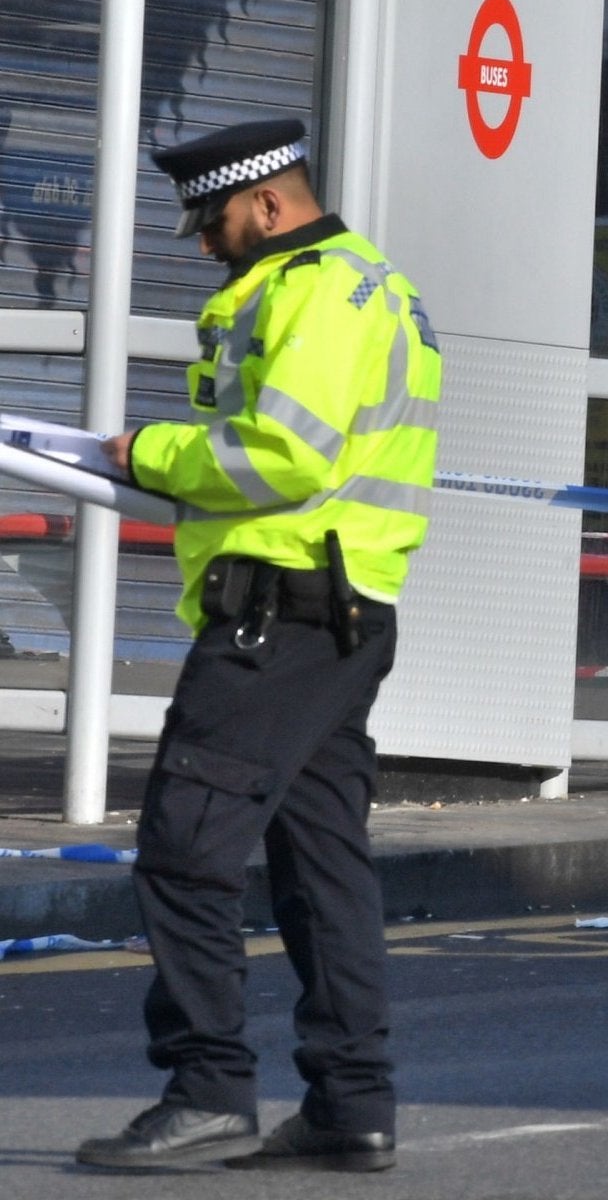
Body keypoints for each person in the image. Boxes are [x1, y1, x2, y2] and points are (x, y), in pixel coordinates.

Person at [74, 118, 439, 1175]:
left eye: (215, 219)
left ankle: (206, 1088)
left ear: (270, 204)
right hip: (343, 613)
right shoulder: (378, 286)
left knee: (185, 849)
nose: (204, 243)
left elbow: (284, 454)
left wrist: (149, 451)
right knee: (322, 863)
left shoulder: (316, 291)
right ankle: (351, 1106)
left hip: (278, 615)